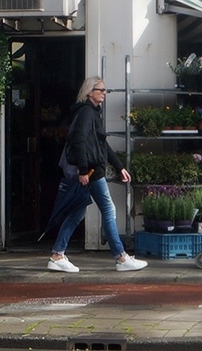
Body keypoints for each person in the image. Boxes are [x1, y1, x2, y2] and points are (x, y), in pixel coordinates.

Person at [47, 77, 147, 273]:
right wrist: (84, 170)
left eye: (104, 90)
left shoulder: (92, 114)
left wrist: (119, 167)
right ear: (89, 92)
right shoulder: (86, 113)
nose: (103, 93)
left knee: (77, 212)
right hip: (91, 172)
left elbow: (102, 145)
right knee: (108, 210)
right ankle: (120, 257)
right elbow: (79, 141)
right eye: (100, 89)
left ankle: (57, 254)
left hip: (92, 170)